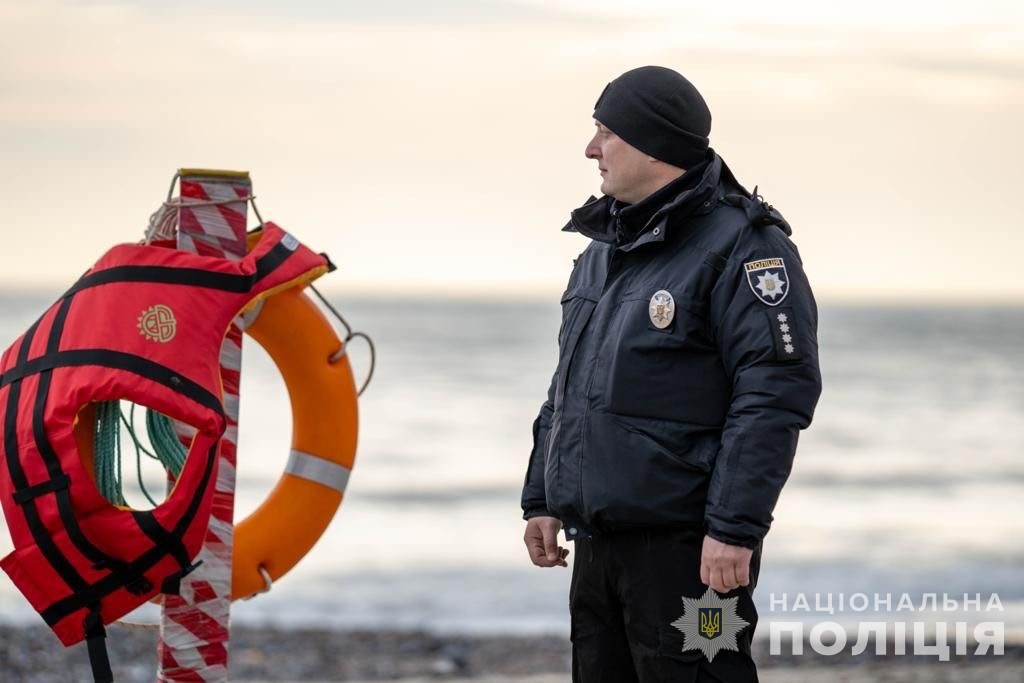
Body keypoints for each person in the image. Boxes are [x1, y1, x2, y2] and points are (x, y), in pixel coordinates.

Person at [520, 66, 823, 682]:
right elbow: (567, 386)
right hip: (598, 548)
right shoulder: (601, 251)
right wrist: (544, 499)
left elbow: (773, 393)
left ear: (653, 142)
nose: (591, 149)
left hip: (695, 556)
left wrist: (734, 529)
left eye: (606, 132)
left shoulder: (747, 247)